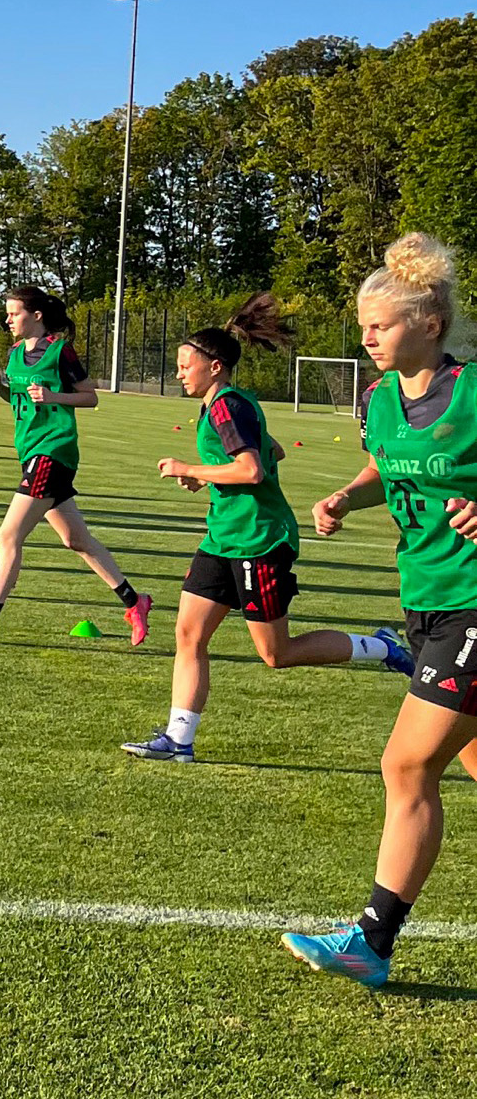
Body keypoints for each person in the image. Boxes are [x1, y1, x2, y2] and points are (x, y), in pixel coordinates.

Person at [281, 234, 477, 989]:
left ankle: (372, 940)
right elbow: (382, 467)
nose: (365, 339)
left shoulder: (471, 393)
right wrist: (345, 496)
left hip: (474, 606)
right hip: (425, 601)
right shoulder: (375, 401)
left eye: (380, 326)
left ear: (428, 322)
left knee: (406, 763)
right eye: (362, 327)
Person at [125, 294, 413, 763]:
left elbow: (253, 470)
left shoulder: (225, 407)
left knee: (275, 653)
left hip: (259, 541)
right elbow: (273, 451)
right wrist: (209, 473)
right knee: (188, 635)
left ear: (214, 367)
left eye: (185, 365)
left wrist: (193, 468)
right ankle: (179, 740)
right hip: (224, 537)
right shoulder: (224, 405)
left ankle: (380, 647)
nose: (179, 373)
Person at [0, 287, 151, 642]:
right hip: (31, 451)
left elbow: (91, 396)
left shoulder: (59, 350)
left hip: (54, 452)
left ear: (36, 315)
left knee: (9, 535)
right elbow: (20, 402)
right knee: (76, 539)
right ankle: (135, 602)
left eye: (14, 313)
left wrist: (54, 395)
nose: (8, 320)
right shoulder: (13, 354)